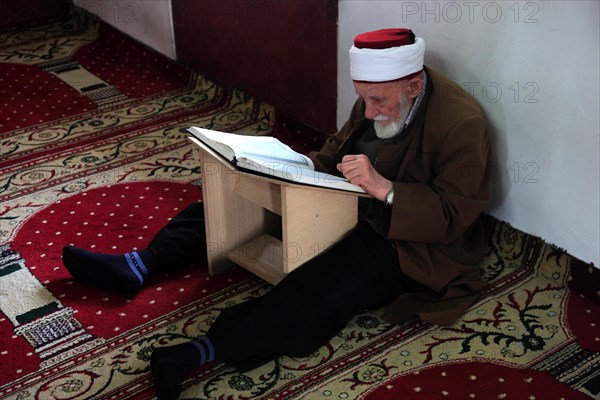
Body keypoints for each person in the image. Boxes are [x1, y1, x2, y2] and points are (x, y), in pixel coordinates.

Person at [62, 28, 493, 400]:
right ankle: (139, 265)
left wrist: (384, 188)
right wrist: (292, 170)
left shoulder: (461, 123)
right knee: (242, 197)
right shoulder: (376, 95)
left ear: (414, 86)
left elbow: (456, 214)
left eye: (378, 101)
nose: (370, 110)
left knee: (328, 283)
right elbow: (337, 151)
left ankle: (202, 351)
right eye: (364, 99)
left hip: (406, 238)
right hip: (352, 198)